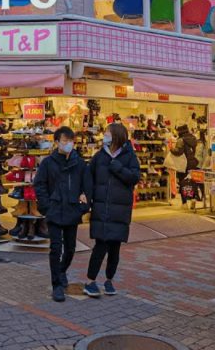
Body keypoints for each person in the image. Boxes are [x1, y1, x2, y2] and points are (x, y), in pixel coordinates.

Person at [33, 126, 90, 302]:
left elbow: (86, 186)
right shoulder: (48, 163)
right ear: (56, 142)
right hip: (55, 211)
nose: (68, 144)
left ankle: (62, 270)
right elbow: (40, 185)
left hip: (72, 210)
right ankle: (56, 284)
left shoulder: (79, 163)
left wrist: (83, 206)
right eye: (65, 141)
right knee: (55, 248)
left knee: (71, 248)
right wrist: (47, 206)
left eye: (70, 141)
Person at [84, 122, 140, 298]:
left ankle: (109, 280)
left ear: (116, 135)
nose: (105, 135)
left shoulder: (129, 156)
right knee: (100, 246)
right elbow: (88, 177)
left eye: (107, 133)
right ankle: (90, 281)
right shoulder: (99, 156)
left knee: (114, 247)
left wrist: (118, 168)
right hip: (101, 207)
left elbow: (134, 178)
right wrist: (86, 198)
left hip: (120, 210)